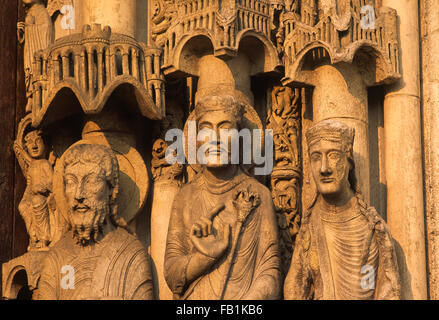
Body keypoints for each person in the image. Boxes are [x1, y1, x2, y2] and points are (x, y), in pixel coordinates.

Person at [164, 95, 281, 300]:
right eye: (206, 129)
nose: (215, 138)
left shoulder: (259, 195)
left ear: (240, 138)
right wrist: (206, 256)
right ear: (196, 138)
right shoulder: (185, 197)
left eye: (225, 129)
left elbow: (270, 272)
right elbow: (172, 275)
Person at [284, 119, 401, 300]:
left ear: (349, 162)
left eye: (333, 156)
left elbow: (385, 290)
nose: (324, 168)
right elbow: (295, 289)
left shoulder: (371, 228)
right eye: (316, 157)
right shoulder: (310, 226)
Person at [36, 144, 154, 300]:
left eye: (91, 181)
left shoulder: (130, 255)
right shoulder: (58, 258)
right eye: (71, 182)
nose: (79, 194)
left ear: (111, 189)